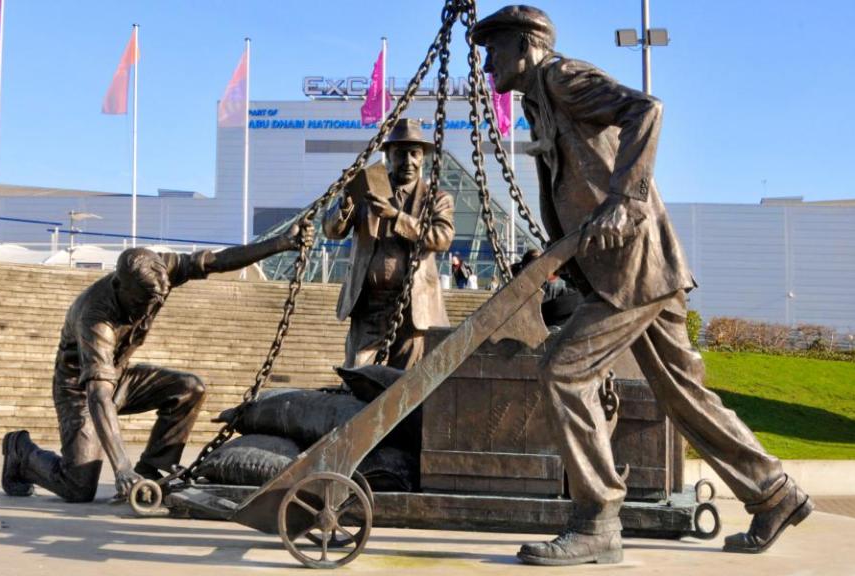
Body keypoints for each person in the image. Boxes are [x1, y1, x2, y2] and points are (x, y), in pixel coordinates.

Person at [474, 5, 812, 566]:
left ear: (527, 46)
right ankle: (774, 493)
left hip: (632, 266)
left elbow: (646, 110)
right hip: (629, 268)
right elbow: (575, 182)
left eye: (495, 49)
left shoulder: (561, 77)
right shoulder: (539, 99)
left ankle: (597, 520)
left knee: (563, 368)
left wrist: (625, 200)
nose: (487, 63)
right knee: (684, 393)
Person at [1, 223, 314, 502]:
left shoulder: (158, 270)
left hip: (120, 377)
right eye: (141, 303)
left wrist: (278, 244)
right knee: (78, 487)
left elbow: (216, 261)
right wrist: (121, 467)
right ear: (120, 287)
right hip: (79, 390)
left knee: (189, 388)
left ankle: (152, 472)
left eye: (156, 301)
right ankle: (20, 452)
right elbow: (97, 396)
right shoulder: (96, 318)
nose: (147, 309)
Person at [323, 118, 455, 369]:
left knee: (405, 385)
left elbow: (442, 237)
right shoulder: (369, 188)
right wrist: (345, 205)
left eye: (415, 154)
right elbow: (332, 231)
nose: (408, 161)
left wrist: (397, 217)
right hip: (369, 305)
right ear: (389, 155)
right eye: (401, 153)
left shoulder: (437, 198)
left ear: (423, 157)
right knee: (357, 373)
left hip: (412, 307)